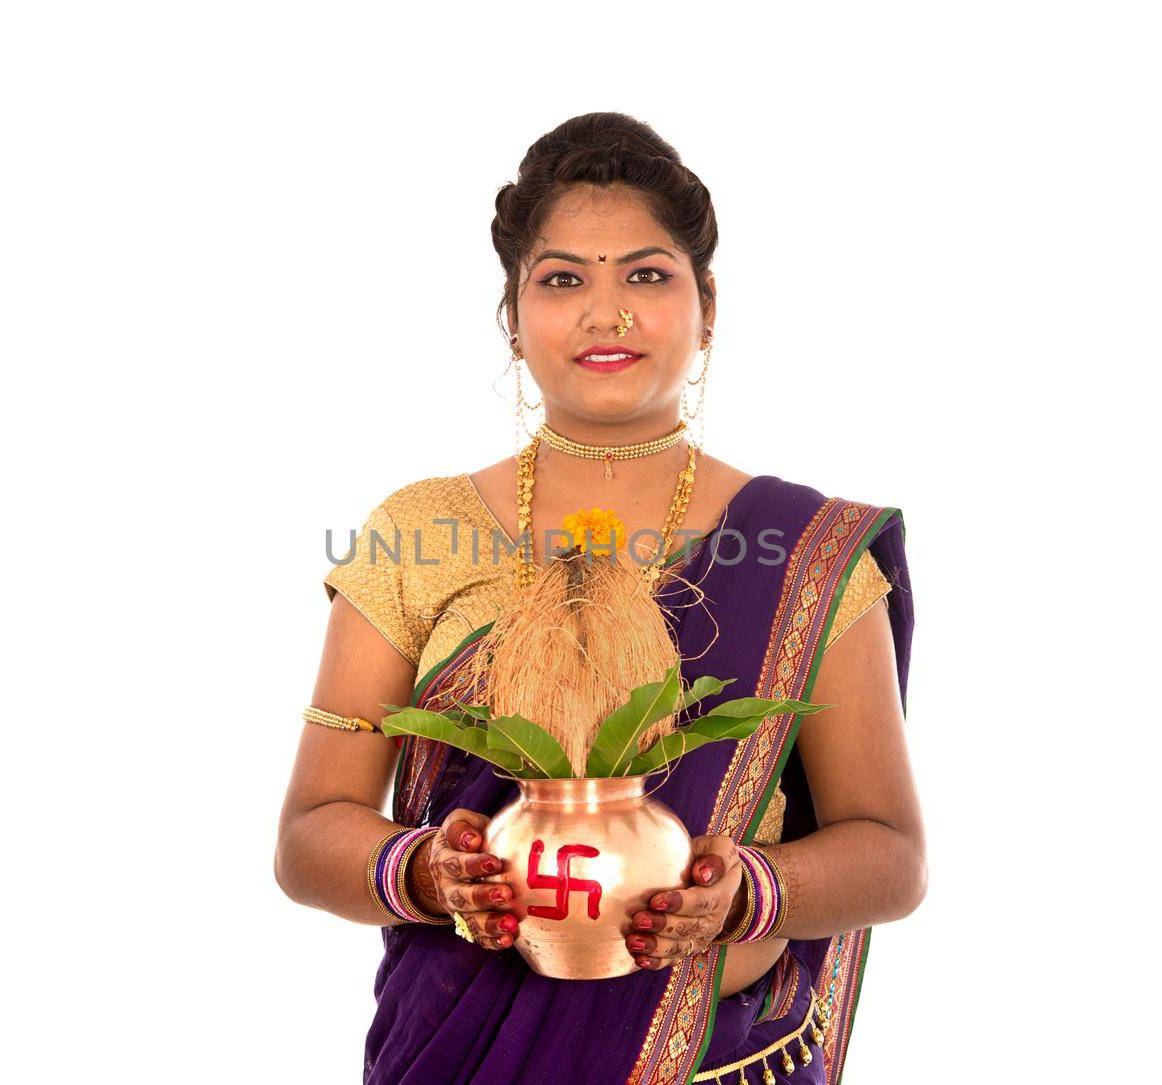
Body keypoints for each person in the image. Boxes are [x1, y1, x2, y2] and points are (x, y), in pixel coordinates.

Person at [274, 112, 924, 1085]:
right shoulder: (418, 532)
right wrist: (425, 871)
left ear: (707, 306)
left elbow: (888, 853)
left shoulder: (806, 553)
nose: (606, 310)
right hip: (461, 1052)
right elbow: (310, 829)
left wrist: (746, 890)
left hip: (721, 1060)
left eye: (647, 275)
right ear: (512, 312)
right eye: (564, 277)